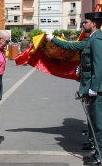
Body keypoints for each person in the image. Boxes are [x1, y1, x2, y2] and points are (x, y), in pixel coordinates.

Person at [46, 12, 102, 165]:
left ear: (94, 24)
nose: (82, 24)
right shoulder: (90, 39)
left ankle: (99, 156)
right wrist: (53, 40)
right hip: (89, 86)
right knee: (92, 121)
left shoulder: (97, 40)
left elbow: (99, 65)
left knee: (98, 124)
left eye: (85, 22)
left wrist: (95, 87)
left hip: (95, 88)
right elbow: (71, 46)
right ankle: (94, 146)